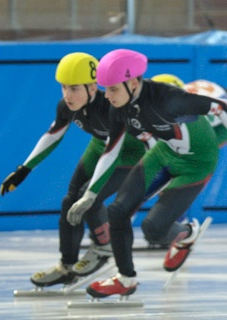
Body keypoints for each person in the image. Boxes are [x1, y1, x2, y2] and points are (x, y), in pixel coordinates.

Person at [66, 49, 227, 298]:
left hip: (197, 163)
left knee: (153, 230)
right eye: (104, 89)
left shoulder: (169, 99)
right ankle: (126, 279)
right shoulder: (118, 107)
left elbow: (219, 108)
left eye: (113, 89)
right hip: (163, 154)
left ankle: (186, 234)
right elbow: (111, 151)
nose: (106, 96)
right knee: (117, 211)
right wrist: (90, 193)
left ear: (132, 83)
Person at [0, 53, 146, 288]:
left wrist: (90, 193)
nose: (68, 95)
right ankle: (66, 265)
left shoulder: (111, 107)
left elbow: (112, 153)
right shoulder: (67, 106)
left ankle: (102, 246)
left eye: (74, 89)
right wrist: (24, 169)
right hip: (101, 145)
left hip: (130, 153)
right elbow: (53, 135)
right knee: (70, 201)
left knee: (88, 197)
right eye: (64, 88)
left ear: (92, 87)